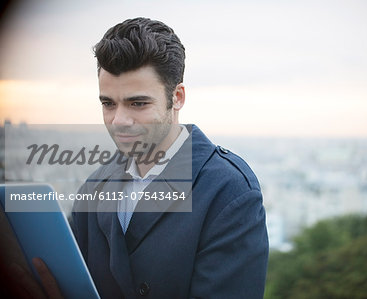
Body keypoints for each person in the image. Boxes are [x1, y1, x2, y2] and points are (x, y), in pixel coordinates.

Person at [18, 17, 268, 298]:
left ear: (178, 97)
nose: (119, 121)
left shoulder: (229, 192)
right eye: (108, 103)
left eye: (138, 103)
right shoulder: (94, 186)